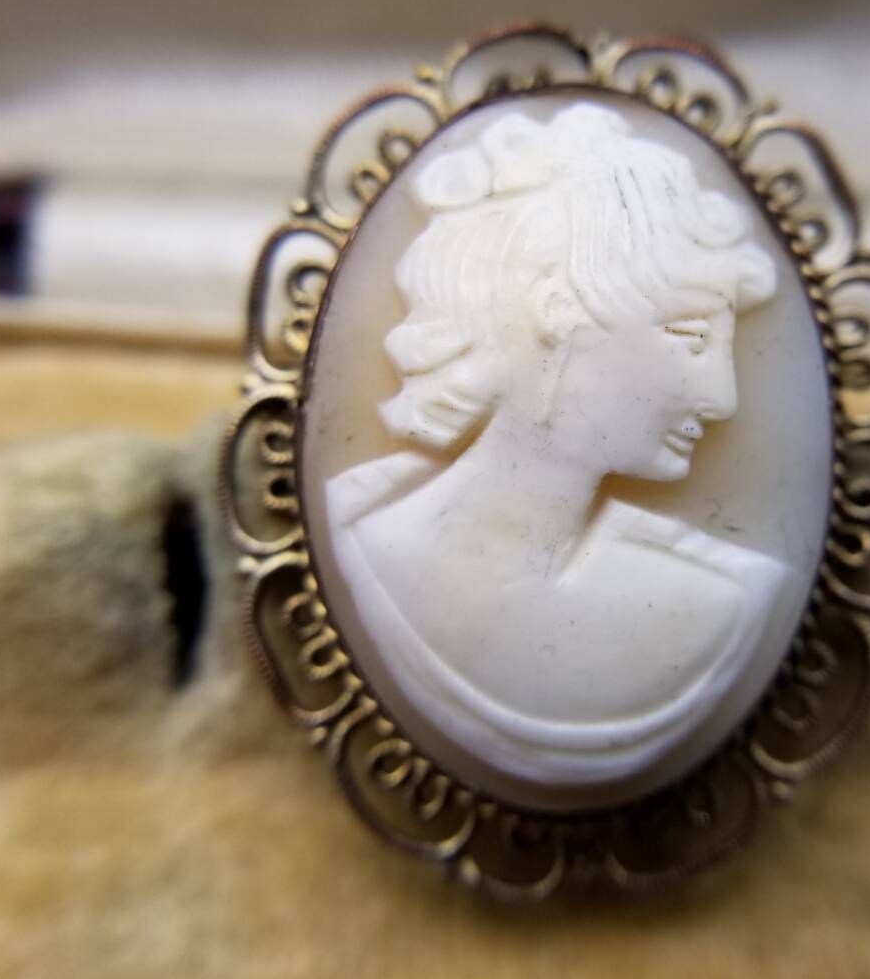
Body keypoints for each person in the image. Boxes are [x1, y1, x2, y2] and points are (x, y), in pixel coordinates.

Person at [326, 102, 789, 787]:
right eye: (691, 337)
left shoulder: (727, 599)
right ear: (557, 312)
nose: (722, 398)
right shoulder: (355, 539)